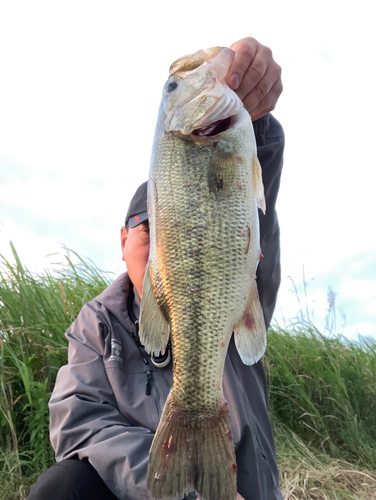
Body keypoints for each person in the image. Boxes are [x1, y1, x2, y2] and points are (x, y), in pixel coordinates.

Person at [28, 37, 284, 500]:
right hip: (150, 492)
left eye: (167, 224)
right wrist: (181, 489)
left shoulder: (235, 287)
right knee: (60, 488)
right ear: (123, 240)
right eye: (148, 227)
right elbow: (79, 426)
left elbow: (253, 212)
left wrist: (259, 124)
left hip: (243, 491)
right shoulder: (95, 327)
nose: (161, 236)